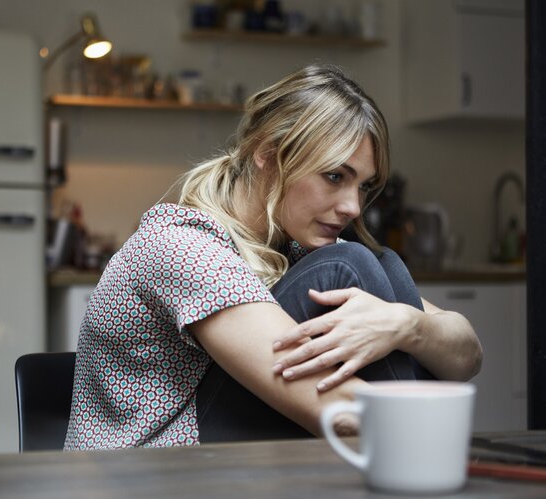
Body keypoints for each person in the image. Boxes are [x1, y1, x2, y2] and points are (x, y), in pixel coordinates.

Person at [64, 64, 482, 450]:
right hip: (148, 477)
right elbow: (339, 414)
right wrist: (436, 426)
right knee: (350, 264)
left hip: (231, 468)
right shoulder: (182, 246)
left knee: (382, 262)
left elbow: (468, 356)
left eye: (363, 186)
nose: (353, 207)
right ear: (267, 153)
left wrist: (407, 325)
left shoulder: (297, 243)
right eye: (334, 177)